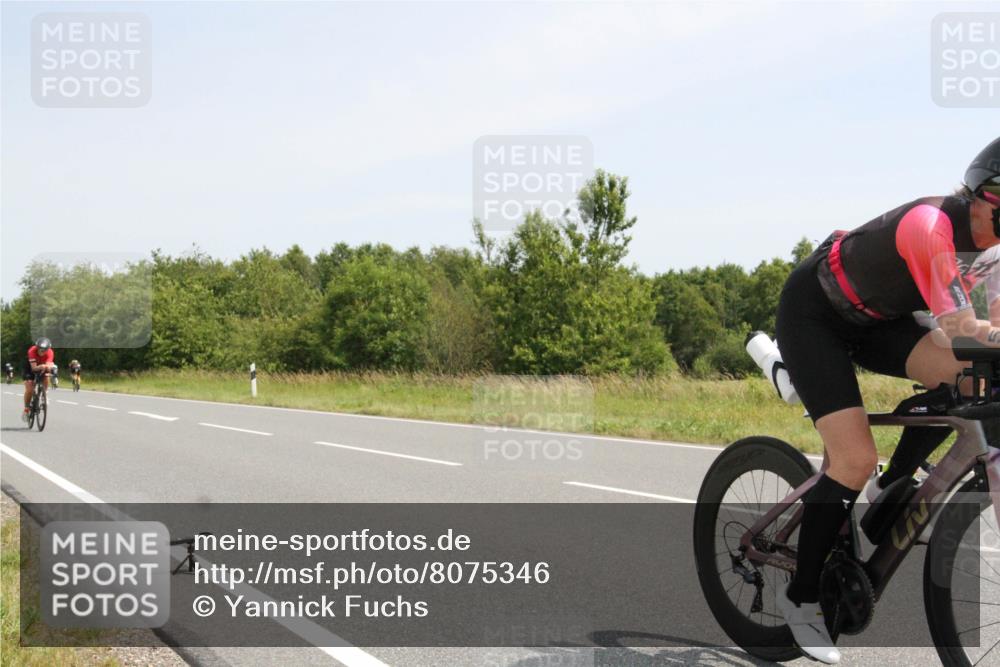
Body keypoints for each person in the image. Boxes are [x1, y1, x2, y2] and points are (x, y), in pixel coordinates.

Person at [773, 137, 1000, 664]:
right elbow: (964, 327)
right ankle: (801, 599)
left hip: (881, 322)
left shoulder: (994, 252)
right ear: (981, 194)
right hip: (816, 313)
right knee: (851, 459)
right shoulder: (931, 228)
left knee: (974, 379)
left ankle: (892, 483)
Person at [23, 337, 55, 421]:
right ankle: (26, 409)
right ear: (37, 347)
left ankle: (45, 394)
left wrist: (47, 367)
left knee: (47, 375)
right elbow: (33, 369)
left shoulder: (50, 352)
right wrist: (41, 366)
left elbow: (48, 365)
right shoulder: (32, 351)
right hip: (30, 367)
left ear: (48, 349)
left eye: (44, 350)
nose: (42, 351)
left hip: (42, 366)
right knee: (30, 388)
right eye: (40, 349)